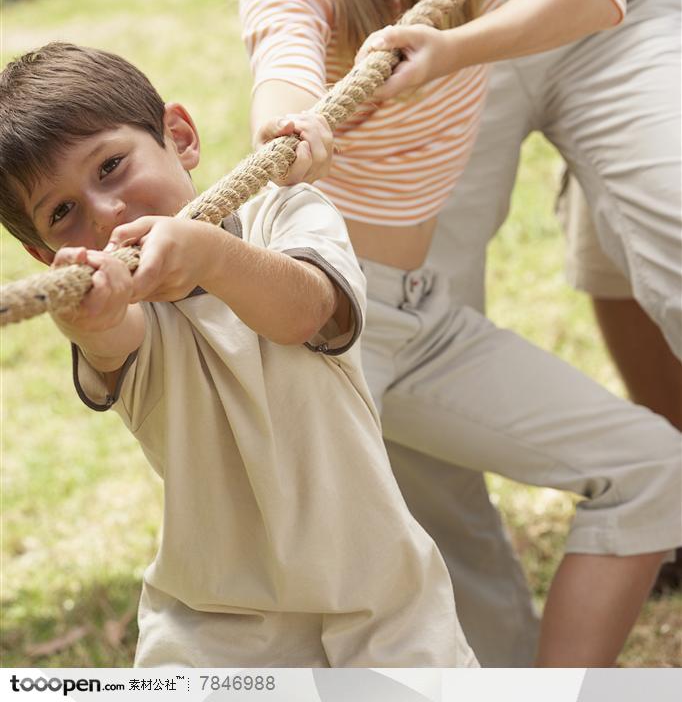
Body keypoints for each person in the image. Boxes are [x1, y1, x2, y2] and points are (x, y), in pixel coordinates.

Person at [191, 0, 682, 667]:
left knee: (648, 469)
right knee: (333, 611)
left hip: (413, 320)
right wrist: (289, 120)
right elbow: (281, 57)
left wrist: (454, 46)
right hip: (325, 326)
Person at [0, 41, 477, 669]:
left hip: (385, 608)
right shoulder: (120, 314)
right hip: (212, 638)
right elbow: (111, 339)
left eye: (111, 166)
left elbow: (307, 311)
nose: (107, 210)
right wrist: (89, 315)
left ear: (180, 135)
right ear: (45, 256)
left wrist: (207, 254)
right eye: (63, 213)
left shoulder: (282, 210)